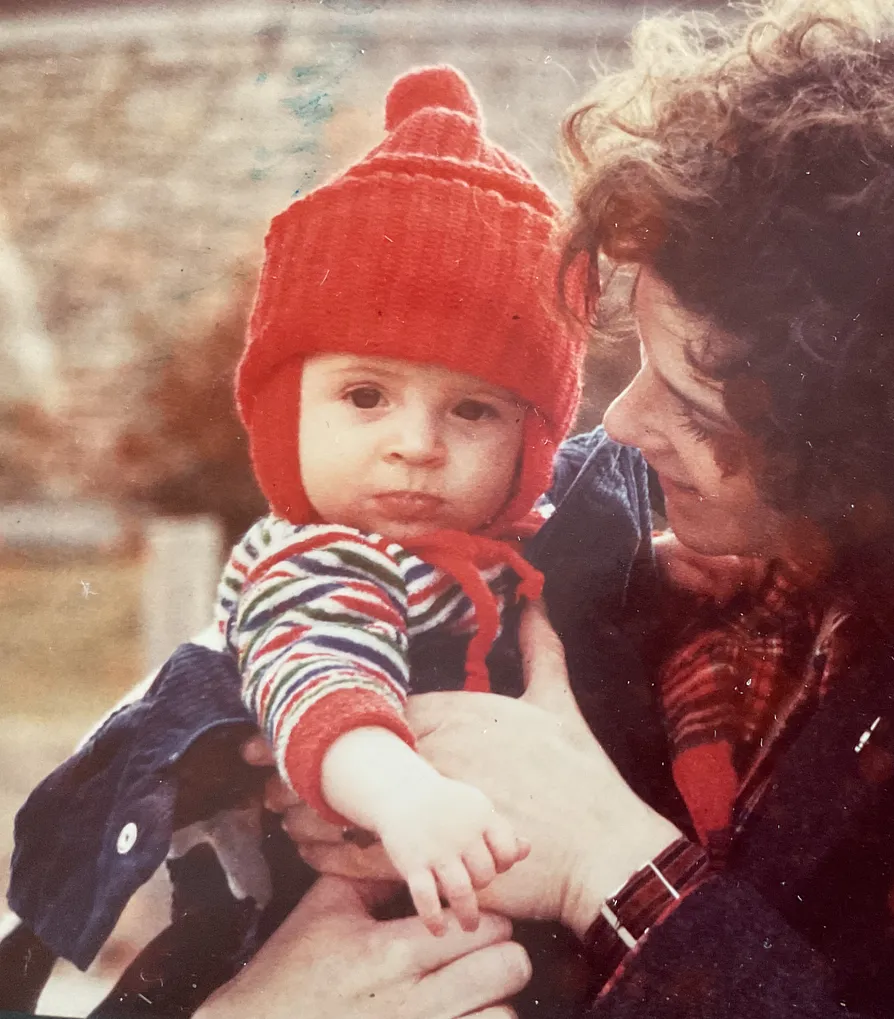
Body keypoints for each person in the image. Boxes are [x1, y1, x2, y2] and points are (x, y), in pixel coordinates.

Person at [195, 0, 894, 1017]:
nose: (626, 428)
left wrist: (607, 861)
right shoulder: (652, 545)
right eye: (635, 360)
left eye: (705, 404)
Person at [5, 64, 670, 1019]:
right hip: (310, 920)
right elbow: (321, 676)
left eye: (472, 408)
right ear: (288, 412)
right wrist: (405, 796)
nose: (415, 442)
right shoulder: (311, 556)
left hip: (474, 891)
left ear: (532, 439)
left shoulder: (524, 542)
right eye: (366, 395)